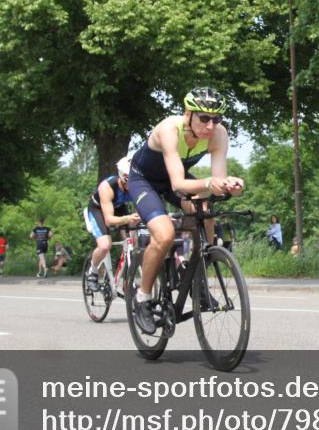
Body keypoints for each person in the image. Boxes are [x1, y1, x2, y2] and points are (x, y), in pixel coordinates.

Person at [129, 87, 245, 334]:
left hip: (176, 176)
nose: (210, 125)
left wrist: (231, 186)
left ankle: (199, 268)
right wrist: (208, 184)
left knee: (205, 209)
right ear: (188, 114)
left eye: (216, 119)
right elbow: (179, 185)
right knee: (164, 235)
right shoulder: (170, 129)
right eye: (204, 118)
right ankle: (142, 297)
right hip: (145, 180)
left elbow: (218, 182)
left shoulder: (219, 135)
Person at [84, 156, 140, 293]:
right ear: (122, 178)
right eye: (128, 183)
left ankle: (128, 280)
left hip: (119, 207)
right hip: (98, 210)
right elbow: (109, 220)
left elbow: (140, 210)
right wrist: (128, 218)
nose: (131, 187)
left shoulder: (136, 185)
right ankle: (93, 271)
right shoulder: (107, 187)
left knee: (134, 242)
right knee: (105, 245)